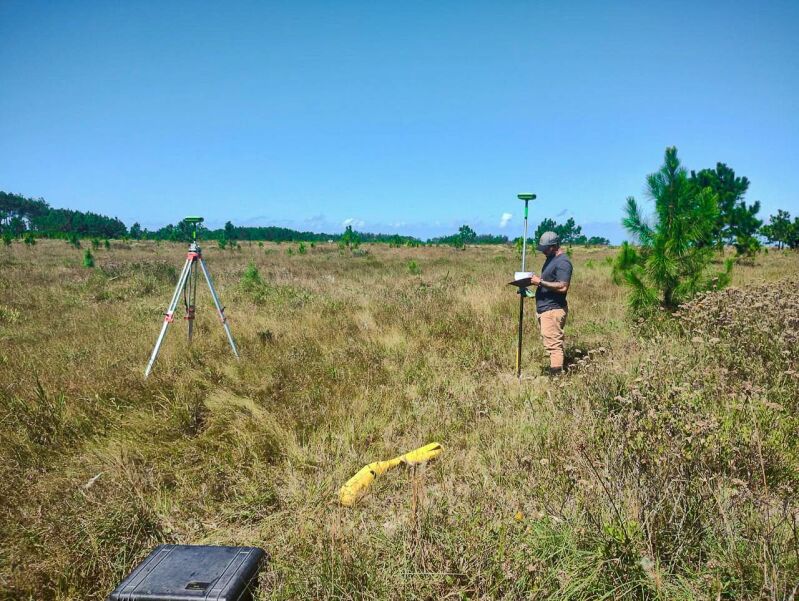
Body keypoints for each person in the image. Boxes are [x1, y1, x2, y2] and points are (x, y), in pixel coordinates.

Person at [529, 231, 572, 375]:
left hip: (553, 310)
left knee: (554, 346)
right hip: (545, 309)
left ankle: (556, 379)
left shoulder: (563, 262)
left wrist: (539, 282)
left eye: (545, 249)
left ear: (554, 246)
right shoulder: (551, 259)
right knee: (552, 343)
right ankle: (558, 372)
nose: (543, 252)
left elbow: (563, 286)